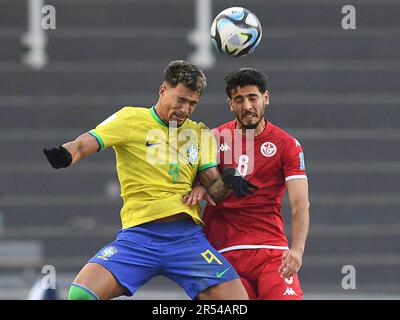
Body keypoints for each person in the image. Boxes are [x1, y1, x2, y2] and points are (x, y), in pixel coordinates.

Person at [43, 60, 257, 300]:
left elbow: (215, 191)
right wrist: (66, 154)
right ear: (163, 90)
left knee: (238, 303)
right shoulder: (130, 118)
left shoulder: (199, 134)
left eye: (192, 104)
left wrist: (228, 179)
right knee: (80, 294)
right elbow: (83, 144)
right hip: (138, 238)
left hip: (186, 239)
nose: (185, 110)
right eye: (181, 100)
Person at [184, 68, 310, 300]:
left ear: (266, 98)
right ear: (230, 104)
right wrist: (204, 186)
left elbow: (300, 202)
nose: (247, 106)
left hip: (271, 252)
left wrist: (298, 250)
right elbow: (193, 186)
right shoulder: (213, 138)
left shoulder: (287, 144)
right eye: (239, 99)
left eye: (253, 97)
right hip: (222, 252)